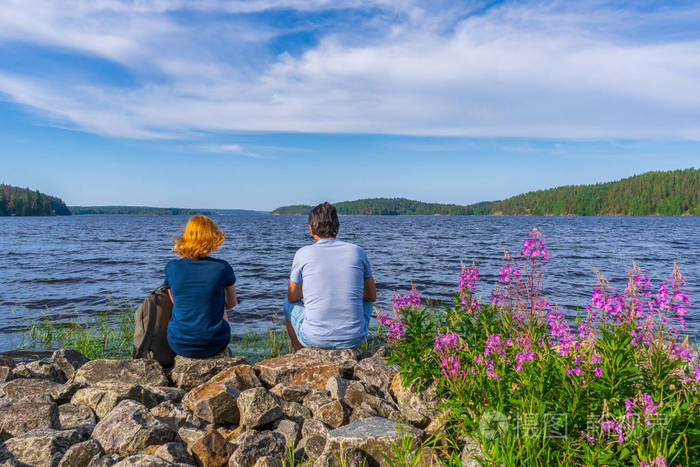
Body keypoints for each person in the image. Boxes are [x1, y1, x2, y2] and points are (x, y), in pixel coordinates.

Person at [284, 202, 376, 350]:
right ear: (338, 228)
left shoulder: (303, 253)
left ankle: (300, 354)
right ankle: (349, 347)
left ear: (310, 229)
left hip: (314, 339)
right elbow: (371, 296)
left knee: (287, 304)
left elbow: (292, 297)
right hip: (354, 338)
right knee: (366, 302)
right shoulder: (357, 251)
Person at [163, 215, 237, 358]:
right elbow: (232, 303)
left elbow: (175, 302)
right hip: (214, 343)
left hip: (178, 343)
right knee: (219, 305)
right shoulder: (222, 267)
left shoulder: (171, 267)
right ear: (212, 238)